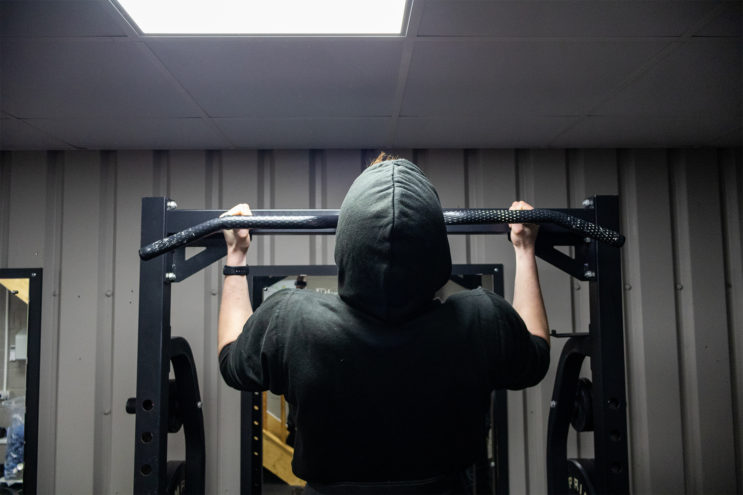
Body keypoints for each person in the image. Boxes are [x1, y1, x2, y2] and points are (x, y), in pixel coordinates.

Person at [217, 155, 550, 494]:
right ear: (434, 247)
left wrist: (236, 256)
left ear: (349, 240)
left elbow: (231, 358)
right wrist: (524, 249)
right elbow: (536, 351)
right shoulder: (480, 317)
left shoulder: (291, 319)